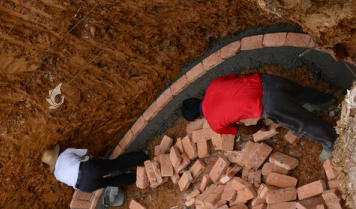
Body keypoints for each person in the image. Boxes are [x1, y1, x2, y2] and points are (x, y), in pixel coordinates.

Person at [181, 72, 338, 157]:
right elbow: (241, 77)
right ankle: (324, 100)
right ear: (198, 99)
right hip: (267, 80)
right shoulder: (213, 84)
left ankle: (330, 142)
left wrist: (259, 125)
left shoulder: (215, 124)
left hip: (271, 104)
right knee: (299, 92)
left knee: (302, 125)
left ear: (199, 117)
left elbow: (246, 130)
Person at [41, 146, 148, 192]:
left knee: (111, 181)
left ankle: (135, 177)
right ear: (56, 152)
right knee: (116, 164)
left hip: (85, 186)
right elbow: (87, 154)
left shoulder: (57, 175)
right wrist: (100, 162)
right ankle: (143, 156)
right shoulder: (65, 153)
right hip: (89, 169)